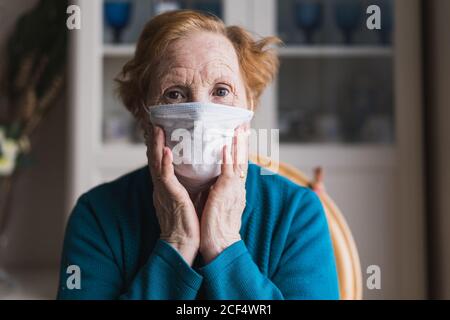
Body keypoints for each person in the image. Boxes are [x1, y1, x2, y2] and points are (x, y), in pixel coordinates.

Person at [57, 10, 339, 300]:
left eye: (221, 90)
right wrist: (176, 245)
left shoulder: (296, 212)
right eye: (175, 94)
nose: (200, 116)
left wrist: (225, 246)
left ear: (249, 107)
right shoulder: (98, 215)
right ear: (143, 114)